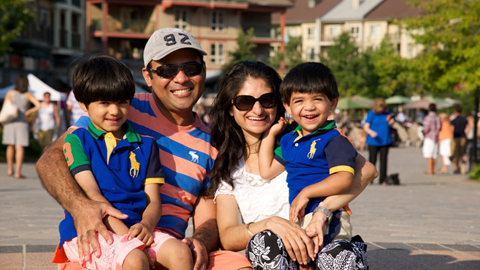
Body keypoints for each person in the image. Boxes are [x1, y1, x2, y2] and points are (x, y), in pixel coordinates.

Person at [36, 28, 251, 270]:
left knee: (238, 266)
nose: (181, 78)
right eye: (167, 70)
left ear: (203, 71)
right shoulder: (119, 106)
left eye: (191, 68)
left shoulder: (212, 143)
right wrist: (81, 207)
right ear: (148, 77)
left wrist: (199, 241)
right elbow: (51, 159)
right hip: (109, 238)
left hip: (168, 246)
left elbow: (208, 218)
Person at [208, 61, 376, 270]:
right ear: (230, 108)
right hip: (275, 257)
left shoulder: (304, 140)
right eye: (245, 102)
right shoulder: (228, 166)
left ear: (280, 104)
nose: (257, 110)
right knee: (264, 243)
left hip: (323, 242)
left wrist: (323, 210)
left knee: (337, 258)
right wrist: (270, 224)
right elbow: (228, 236)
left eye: (267, 100)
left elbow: (367, 171)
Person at [54, 55, 193, 270]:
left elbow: (153, 200)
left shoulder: (146, 145)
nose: (114, 111)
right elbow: (93, 197)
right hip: (93, 228)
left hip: (134, 228)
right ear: (83, 104)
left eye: (122, 102)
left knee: (181, 253)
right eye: (104, 103)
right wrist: (129, 240)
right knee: (135, 259)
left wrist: (146, 225)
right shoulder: (78, 139)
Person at [257, 62, 367, 269]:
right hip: (299, 217)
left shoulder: (334, 139)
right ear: (287, 107)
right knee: (303, 261)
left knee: (324, 260)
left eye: (317, 99)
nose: (309, 107)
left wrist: (307, 192)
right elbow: (266, 170)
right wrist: (270, 135)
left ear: (333, 103)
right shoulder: (290, 140)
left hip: (330, 217)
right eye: (299, 101)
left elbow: (343, 179)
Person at [2, 74, 41, 178]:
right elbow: (38, 105)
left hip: (10, 121)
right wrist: (28, 111)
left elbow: (6, 106)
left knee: (10, 146)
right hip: (22, 122)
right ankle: (18, 172)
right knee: (20, 147)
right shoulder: (28, 95)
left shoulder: (10, 93)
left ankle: (10, 169)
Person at [364, 98, 394, 185]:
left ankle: (383, 179)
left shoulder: (388, 113)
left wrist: (391, 122)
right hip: (373, 141)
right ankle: (370, 179)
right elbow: (366, 127)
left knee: (384, 160)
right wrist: (371, 132)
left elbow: (390, 124)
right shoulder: (371, 113)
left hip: (385, 140)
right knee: (372, 160)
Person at [422, 103, 441, 175]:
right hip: (436, 137)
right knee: (434, 154)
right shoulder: (437, 117)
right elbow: (439, 127)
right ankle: (433, 169)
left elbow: (426, 128)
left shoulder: (428, 117)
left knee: (429, 153)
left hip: (429, 137)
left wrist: (423, 131)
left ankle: (430, 170)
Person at [450, 104, 468, 174]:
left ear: (455, 111)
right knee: (461, 153)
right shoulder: (464, 119)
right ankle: (459, 167)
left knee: (456, 153)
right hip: (463, 137)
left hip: (456, 137)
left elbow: (451, 130)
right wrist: (465, 136)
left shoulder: (454, 120)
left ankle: (457, 167)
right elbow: (467, 129)